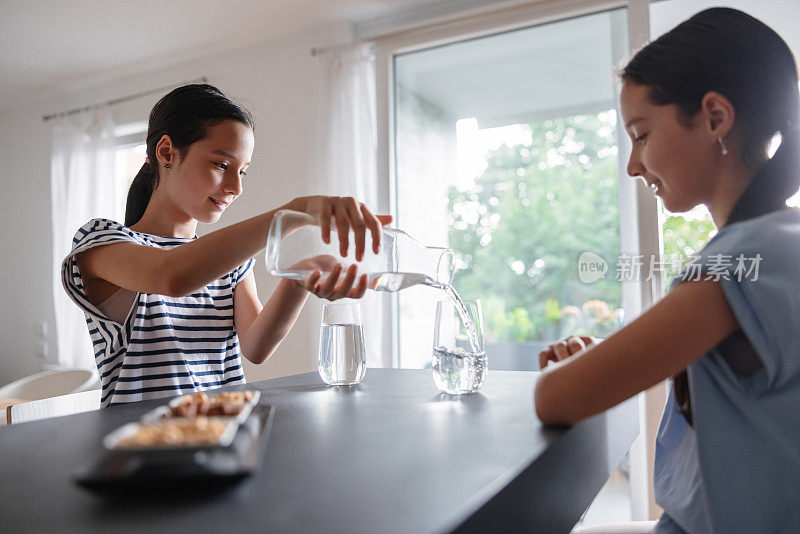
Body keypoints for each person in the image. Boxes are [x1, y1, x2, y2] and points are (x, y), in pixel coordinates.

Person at [534, 8, 800, 534]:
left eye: (641, 134)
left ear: (715, 118)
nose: (633, 165)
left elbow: (554, 397)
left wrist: (583, 373)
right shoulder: (779, 242)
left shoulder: (739, 263)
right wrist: (606, 364)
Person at [62, 84, 389, 407]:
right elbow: (171, 276)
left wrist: (299, 277)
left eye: (243, 172)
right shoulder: (100, 240)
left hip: (224, 435)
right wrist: (293, 213)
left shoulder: (230, 261)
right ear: (166, 153)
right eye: (221, 165)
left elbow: (256, 348)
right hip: (142, 444)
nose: (235, 188)